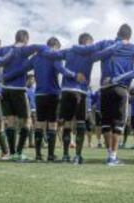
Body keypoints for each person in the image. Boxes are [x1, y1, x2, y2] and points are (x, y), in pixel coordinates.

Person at [72, 24, 134, 166]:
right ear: (129, 36)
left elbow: (86, 49)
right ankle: (113, 157)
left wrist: (73, 48)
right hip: (121, 88)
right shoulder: (133, 47)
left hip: (104, 89)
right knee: (118, 124)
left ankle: (109, 156)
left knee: (106, 123)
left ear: (117, 33)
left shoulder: (106, 43)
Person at [38, 33, 119, 164]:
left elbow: (56, 62)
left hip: (66, 91)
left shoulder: (68, 51)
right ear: (87, 42)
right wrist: (119, 44)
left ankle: (65, 155)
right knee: (81, 122)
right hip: (81, 92)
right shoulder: (90, 55)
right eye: (91, 43)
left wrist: (71, 74)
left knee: (67, 123)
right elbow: (106, 53)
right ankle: (78, 156)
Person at [3, 37, 83, 161]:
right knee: (52, 124)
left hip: (39, 95)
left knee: (39, 124)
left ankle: (38, 155)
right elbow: (62, 70)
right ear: (56, 46)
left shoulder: (35, 58)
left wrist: (6, 76)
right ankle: (51, 155)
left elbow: (21, 70)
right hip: (53, 94)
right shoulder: (54, 57)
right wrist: (74, 76)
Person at [0, 30, 41, 161]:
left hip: (5, 90)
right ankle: (18, 153)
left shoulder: (5, 49)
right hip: (19, 90)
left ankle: (12, 152)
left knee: (11, 122)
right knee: (27, 121)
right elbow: (38, 47)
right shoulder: (25, 49)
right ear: (26, 38)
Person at [26, 74, 36, 148]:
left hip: (35, 110)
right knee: (29, 127)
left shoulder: (36, 89)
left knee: (36, 127)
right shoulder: (25, 90)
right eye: (29, 79)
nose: (31, 80)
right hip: (28, 110)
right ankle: (30, 142)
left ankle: (36, 142)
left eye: (32, 79)